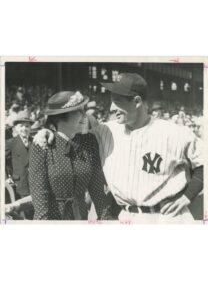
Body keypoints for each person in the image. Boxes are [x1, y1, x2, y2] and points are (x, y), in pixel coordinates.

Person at [34, 74, 203, 223]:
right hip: (126, 217)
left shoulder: (174, 133)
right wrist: (47, 130)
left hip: (167, 218)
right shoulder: (105, 131)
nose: (111, 108)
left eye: (117, 102)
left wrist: (188, 196)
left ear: (137, 101)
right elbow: (69, 133)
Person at [29, 91, 111, 220]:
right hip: (53, 221)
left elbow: (98, 191)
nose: (85, 115)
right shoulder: (42, 145)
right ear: (60, 116)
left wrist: (107, 221)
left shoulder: (89, 142)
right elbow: (40, 196)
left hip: (81, 219)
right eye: (79, 111)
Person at [5, 110, 34, 219]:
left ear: (30, 128)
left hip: (34, 183)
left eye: (27, 126)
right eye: (21, 126)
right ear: (16, 128)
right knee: (25, 212)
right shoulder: (11, 143)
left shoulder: (35, 141)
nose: (24, 129)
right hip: (20, 183)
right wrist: (7, 176)